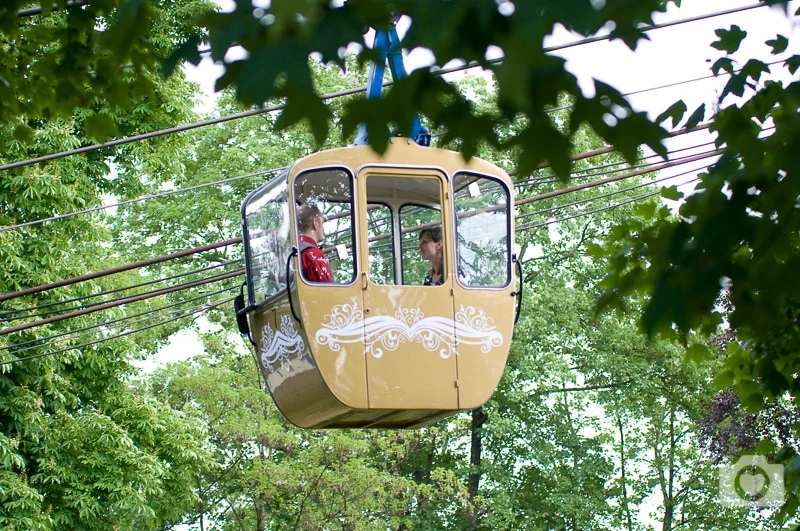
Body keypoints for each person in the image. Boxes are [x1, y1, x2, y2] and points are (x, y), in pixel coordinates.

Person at [297, 203, 332, 282]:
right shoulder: (312, 253)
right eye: (322, 223)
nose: (324, 229)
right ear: (315, 223)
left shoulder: (294, 252)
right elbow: (327, 289)